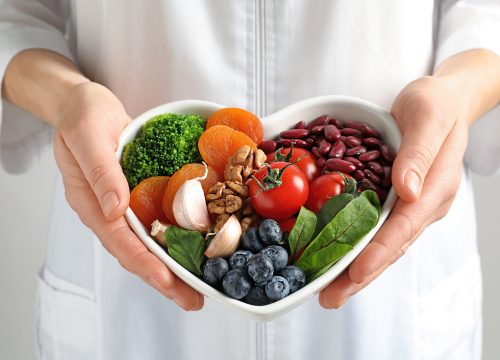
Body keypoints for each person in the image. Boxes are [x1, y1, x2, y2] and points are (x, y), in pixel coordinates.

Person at [1, 1, 499, 359]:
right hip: (133, 277)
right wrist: (67, 98)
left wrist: (457, 93)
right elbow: (14, 18)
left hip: (384, 297)